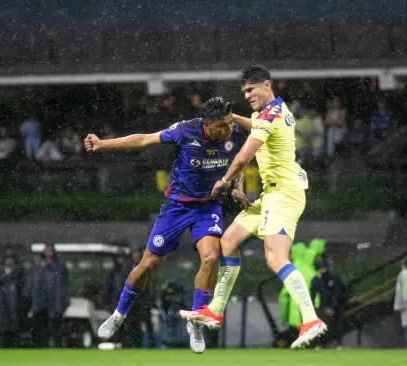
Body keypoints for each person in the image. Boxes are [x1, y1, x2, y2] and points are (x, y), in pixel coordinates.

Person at [85, 97, 248, 354]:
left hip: (208, 207)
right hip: (176, 207)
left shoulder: (234, 132)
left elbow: (241, 160)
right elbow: (143, 139)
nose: (229, 129)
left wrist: (238, 187)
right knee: (148, 265)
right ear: (208, 124)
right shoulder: (185, 130)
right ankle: (119, 314)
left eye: (230, 123)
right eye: (223, 126)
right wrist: (103, 144)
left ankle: (196, 321)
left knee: (211, 257)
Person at [180, 65, 326, 349]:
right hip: (272, 195)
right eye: (244, 91)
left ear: (266, 85)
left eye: (251, 90)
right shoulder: (271, 112)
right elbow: (257, 124)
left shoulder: (268, 117)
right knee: (228, 241)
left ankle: (311, 319)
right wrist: (233, 117)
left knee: (275, 258)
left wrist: (225, 181)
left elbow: (244, 156)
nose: (247, 95)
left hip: (284, 194)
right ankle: (215, 312)